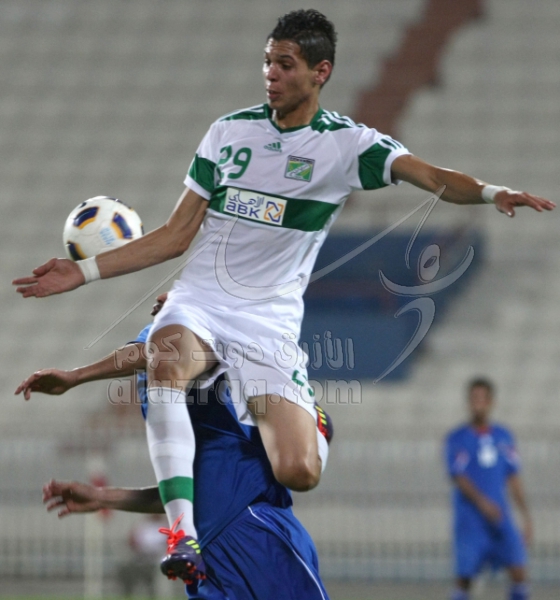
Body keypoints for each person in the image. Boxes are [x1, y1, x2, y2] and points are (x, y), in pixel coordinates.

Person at [14, 8, 554, 582]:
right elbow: (174, 236)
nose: (271, 73)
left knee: (299, 471)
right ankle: (181, 533)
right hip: (201, 302)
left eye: (285, 64)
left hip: (267, 324)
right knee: (165, 361)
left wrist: (491, 192)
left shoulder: (347, 146)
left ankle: (302, 422)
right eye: (268, 61)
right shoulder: (228, 133)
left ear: (321, 72)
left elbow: (433, 177)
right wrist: (84, 272)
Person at [17, 293, 333, 599]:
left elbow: (156, 351)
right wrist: (102, 497)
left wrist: (76, 377)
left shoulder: (215, 344)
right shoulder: (169, 400)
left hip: (255, 537)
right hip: (206, 560)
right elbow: (190, 493)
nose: (162, 298)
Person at [444, 378, 532, 600]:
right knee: (464, 579)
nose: (478, 403)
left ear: (491, 402)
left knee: (519, 572)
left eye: (483, 398)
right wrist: (483, 504)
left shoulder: (503, 436)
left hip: (500, 517)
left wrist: (526, 517)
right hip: (471, 520)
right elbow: (459, 476)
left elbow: (513, 477)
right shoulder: (458, 438)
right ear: (468, 402)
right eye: (474, 398)